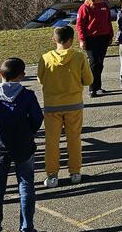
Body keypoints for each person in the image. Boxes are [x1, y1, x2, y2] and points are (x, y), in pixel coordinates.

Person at [0, 58, 42, 232]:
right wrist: (28, 133)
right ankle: (27, 231)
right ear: (22, 76)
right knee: (26, 187)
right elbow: (36, 119)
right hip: (23, 146)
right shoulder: (27, 96)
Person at [38, 26, 93, 188]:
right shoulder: (79, 57)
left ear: (54, 39)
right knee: (74, 139)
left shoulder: (45, 58)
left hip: (52, 105)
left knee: (51, 141)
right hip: (73, 104)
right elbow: (88, 80)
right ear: (71, 40)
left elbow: (41, 79)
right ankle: (75, 172)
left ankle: (52, 174)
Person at [76, 0, 113, 98]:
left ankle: (98, 86)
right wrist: (82, 39)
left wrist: (110, 35)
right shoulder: (85, 7)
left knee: (100, 63)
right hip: (91, 39)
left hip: (104, 38)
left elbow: (108, 21)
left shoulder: (104, 6)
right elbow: (80, 25)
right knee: (94, 63)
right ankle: (92, 88)